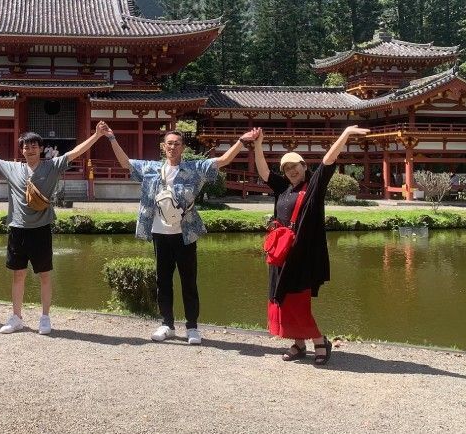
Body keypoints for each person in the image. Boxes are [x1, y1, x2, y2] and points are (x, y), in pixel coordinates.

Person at [104, 126, 257, 345]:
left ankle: (192, 327)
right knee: (163, 280)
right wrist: (111, 137)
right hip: (159, 232)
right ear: (163, 147)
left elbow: (222, 160)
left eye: (177, 143)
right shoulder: (151, 168)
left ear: (183, 147)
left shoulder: (193, 169)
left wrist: (242, 141)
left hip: (185, 233)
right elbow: (125, 162)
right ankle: (167, 324)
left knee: (189, 281)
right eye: (169, 143)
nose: (173, 147)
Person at [0, 122, 108, 335]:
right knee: (18, 274)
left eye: (34, 146)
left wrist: (96, 135)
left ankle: (45, 317)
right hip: (17, 228)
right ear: (22, 150)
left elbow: (75, 152)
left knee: (44, 275)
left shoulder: (52, 166)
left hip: (41, 228)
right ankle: (16, 317)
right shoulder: (13, 168)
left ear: (41, 148)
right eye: (26, 147)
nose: (30, 149)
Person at [249, 125, 370, 365]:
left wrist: (344, 134)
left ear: (304, 166)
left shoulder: (312, 188)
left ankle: (319, 341)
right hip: (281, 254)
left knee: (298, 304)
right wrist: (258, 144)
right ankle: (298, 343)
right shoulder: (282, 188)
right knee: (281, 299)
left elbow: (327, 161)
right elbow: (263, 173)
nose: (291, 171)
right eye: (286, 168)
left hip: (302, 257)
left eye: (295, 166)